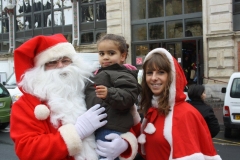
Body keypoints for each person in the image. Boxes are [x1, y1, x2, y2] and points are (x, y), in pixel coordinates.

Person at [96, 48, 222, 160]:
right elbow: (148, 149)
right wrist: (127, 141)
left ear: (172, 76)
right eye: (149, 73)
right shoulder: (154, 110)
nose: (154, 78)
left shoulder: (185, 114)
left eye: (161, 72)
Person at [10, 34, 110, 160]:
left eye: (65, 60)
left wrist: (124, 141)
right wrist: (76, 133)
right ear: (40, 69)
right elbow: (28, 150)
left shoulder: (91, 90)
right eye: (52, 62)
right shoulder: (25, 105)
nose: (61, 66)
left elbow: (122, 116)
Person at [84, 33, 141, 159]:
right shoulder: (98, 72)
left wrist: (109, 94)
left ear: (123, 56)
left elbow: (129, 97)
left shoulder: (123, 74)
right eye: (101, 53)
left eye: (111, 53)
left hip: (110, 127)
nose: (105, 57)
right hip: (96, 125)